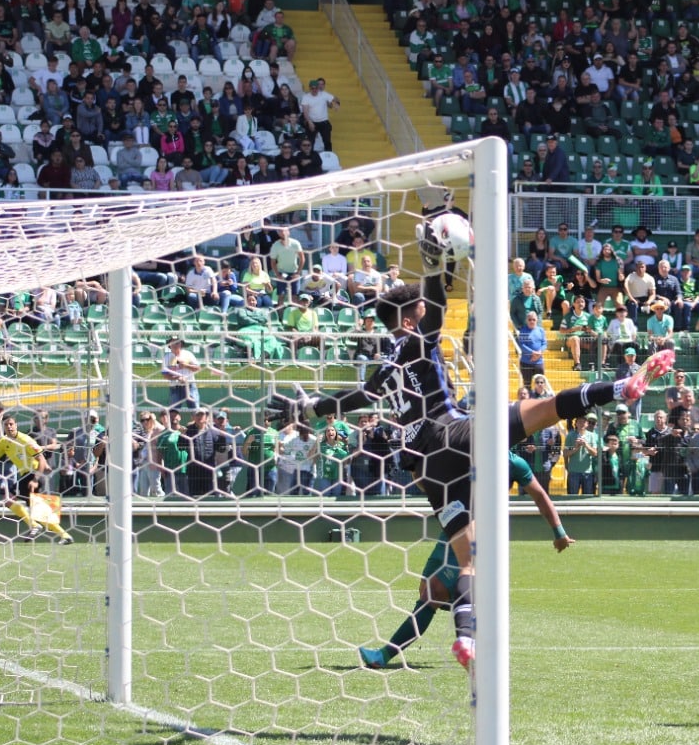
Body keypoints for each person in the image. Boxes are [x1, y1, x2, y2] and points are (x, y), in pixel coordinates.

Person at [269, 186, 674, 672]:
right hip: (452, 432)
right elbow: (437, 302)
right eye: (419, 309)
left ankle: (466, 639)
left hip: (423, 465)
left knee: (468, 562)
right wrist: (439, 262)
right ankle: (621, 389)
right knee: (541, 407)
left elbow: (348, 402)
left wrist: (306, 409)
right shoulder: (419, 339)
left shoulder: (383, 367)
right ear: (411, 316)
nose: (424, 311)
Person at [360, 452, 572, 668]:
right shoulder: (460, 451)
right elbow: (429, 484)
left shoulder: (512, 462)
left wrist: (559, 532)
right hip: (451, 525)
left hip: (475, 530)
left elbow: (539, 495)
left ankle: (385, 656)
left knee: (432, 593)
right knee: (427, 588)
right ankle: (471, 641)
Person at [0, 415, 74, 544]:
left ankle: (35, 526)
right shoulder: (3, 442)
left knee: (10, 500)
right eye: (6, 424)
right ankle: (65, 536)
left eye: (11, 424)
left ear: (16, 425)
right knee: (39, 512)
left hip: (34, 474)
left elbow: (41, 460)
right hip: (25, 475)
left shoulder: (25, 440)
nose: (9, 427)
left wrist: (35, 479)